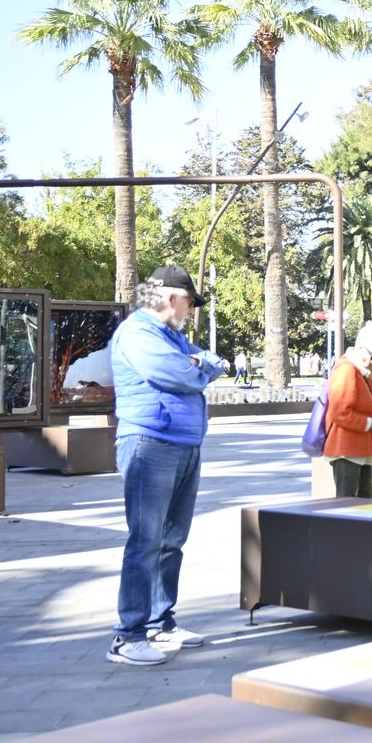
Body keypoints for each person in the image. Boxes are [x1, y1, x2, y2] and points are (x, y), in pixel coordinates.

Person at [107, 266, 227, 665]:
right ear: (171, 298)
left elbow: (207, 362)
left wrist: (199, 363)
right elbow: (181, 375)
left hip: (183, 445)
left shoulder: (170, 336)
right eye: (190, 303)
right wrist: (199, 366)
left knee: (171, 540)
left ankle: (160, 622)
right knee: (146, 541)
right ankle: (128, 636)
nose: (192, 311)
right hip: (150, 445)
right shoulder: (138, 333)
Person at [322, 320, 372, 498]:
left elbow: (370, 405)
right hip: (346, 450)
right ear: (360, 348)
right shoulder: (346, 371)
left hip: (363, 450)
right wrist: (369, 423)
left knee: (365, 505)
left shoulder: (365, 370)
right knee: (347, 506)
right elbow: (339, 413)